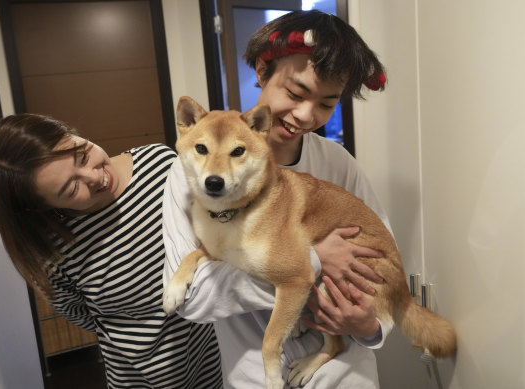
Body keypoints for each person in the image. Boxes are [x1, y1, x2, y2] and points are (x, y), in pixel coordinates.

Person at [163, 10, 392, 388]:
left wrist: (371, 326)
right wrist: (313, 262)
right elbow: (191, 297)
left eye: (326, 104)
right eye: (296, 93)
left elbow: (382, 257)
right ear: (261, 72)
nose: (305, 114)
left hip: (346, 373)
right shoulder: (195, 175)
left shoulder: (337, 163)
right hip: (254, 374)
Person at [0, 114, 223, 389]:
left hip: (216, 358)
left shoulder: (160, 164)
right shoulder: (55, 250)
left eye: (82, 155)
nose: (95, 176)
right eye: (71, 189)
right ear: (43, 206)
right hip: (141, 380)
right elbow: (80, 313)